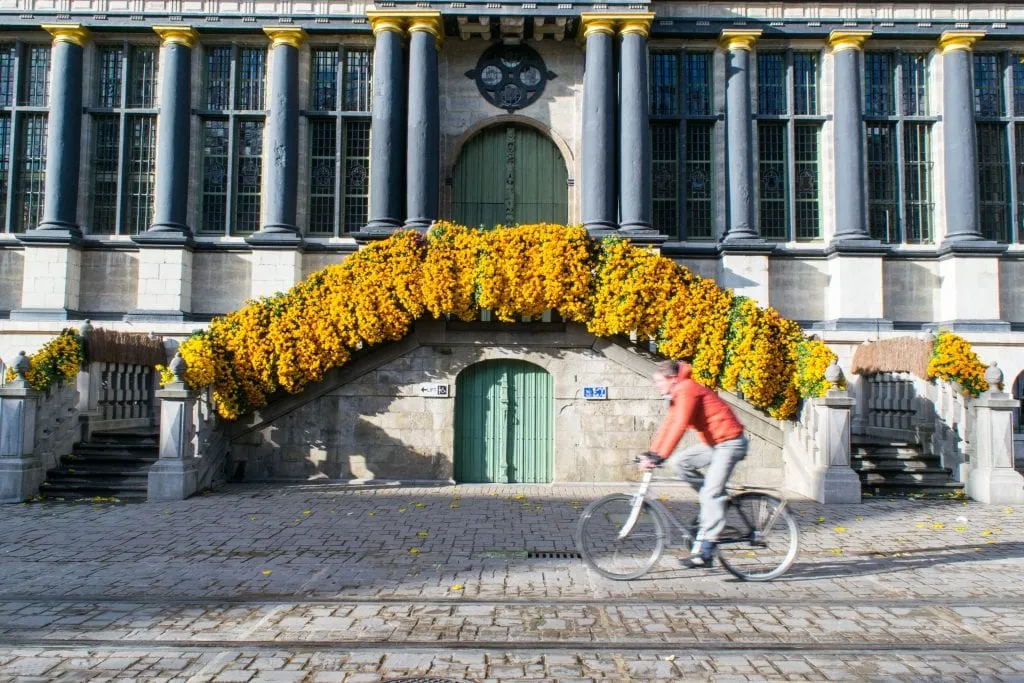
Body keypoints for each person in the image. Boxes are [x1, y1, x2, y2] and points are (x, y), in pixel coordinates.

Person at [640, 359, 748, 568]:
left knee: (710, 494)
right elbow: (669, 424)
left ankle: (706, 552)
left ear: (671, 379)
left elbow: (680, 424)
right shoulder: (676, 393)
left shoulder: (687, 389)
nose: (657, 386)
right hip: (714, 443)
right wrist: (653, 452)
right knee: (679, 462)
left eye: (659, 381)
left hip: (730, 443)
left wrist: (660, 456)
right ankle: (717, 501)